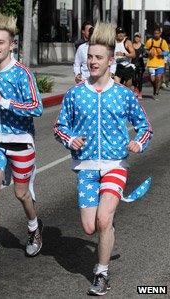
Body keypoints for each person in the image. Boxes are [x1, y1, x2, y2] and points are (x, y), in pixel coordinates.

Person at [54, 21, 153, 296]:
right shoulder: (75, 94)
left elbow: (145, 127)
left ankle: (101, 273)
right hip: (85, 167)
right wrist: (69, 139)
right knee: (89, 227)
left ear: (110, 61)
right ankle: (105, 224)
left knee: (103, 220)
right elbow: (59, 127)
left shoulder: (123, 95)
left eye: (99, 58)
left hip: (114, 164)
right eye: (90, 57)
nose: (93, 62)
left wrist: (138, 142)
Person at [0, 14, 44, 268]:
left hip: (21, 141)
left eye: (1, 42)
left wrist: (5, 102)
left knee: (21, 193)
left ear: (12, 44)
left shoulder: (22, 74)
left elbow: (37, 108)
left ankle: (34, 227)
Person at [145, 26, 169, 100]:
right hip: (151, 63)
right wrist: (149, 53)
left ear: (160, 33)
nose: (156, 35)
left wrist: (162, 54)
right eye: (155, 33)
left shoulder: (163, 42)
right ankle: (155, 88)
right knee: (152, 79)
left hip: (160, 63)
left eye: (158, 33)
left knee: (158, 78)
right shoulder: (150, 41)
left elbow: (167, 51)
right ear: (153, 34)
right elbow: (145, 49)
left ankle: (156, 93)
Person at [132, 32, 146, 99]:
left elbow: (146, 54)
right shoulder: (131, 45)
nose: (137, 38)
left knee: (139, 79)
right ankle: (135, 90)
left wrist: (143, 55)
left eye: (138, 37)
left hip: (140, 65)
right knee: (134, 79)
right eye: (135, 37)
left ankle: (140, 92)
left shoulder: (143, 46)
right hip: (133, 64)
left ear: (140, 38)